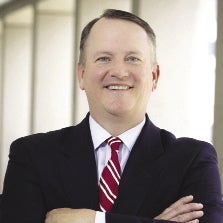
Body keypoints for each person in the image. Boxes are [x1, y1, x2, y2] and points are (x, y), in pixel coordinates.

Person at [2, 9, 223, 223]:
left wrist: (93, 220)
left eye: (133, 58)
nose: (119, 71)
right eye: (104, 58)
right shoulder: (32, 156)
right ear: (82, 75)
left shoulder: (192, 160)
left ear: (154, 76)